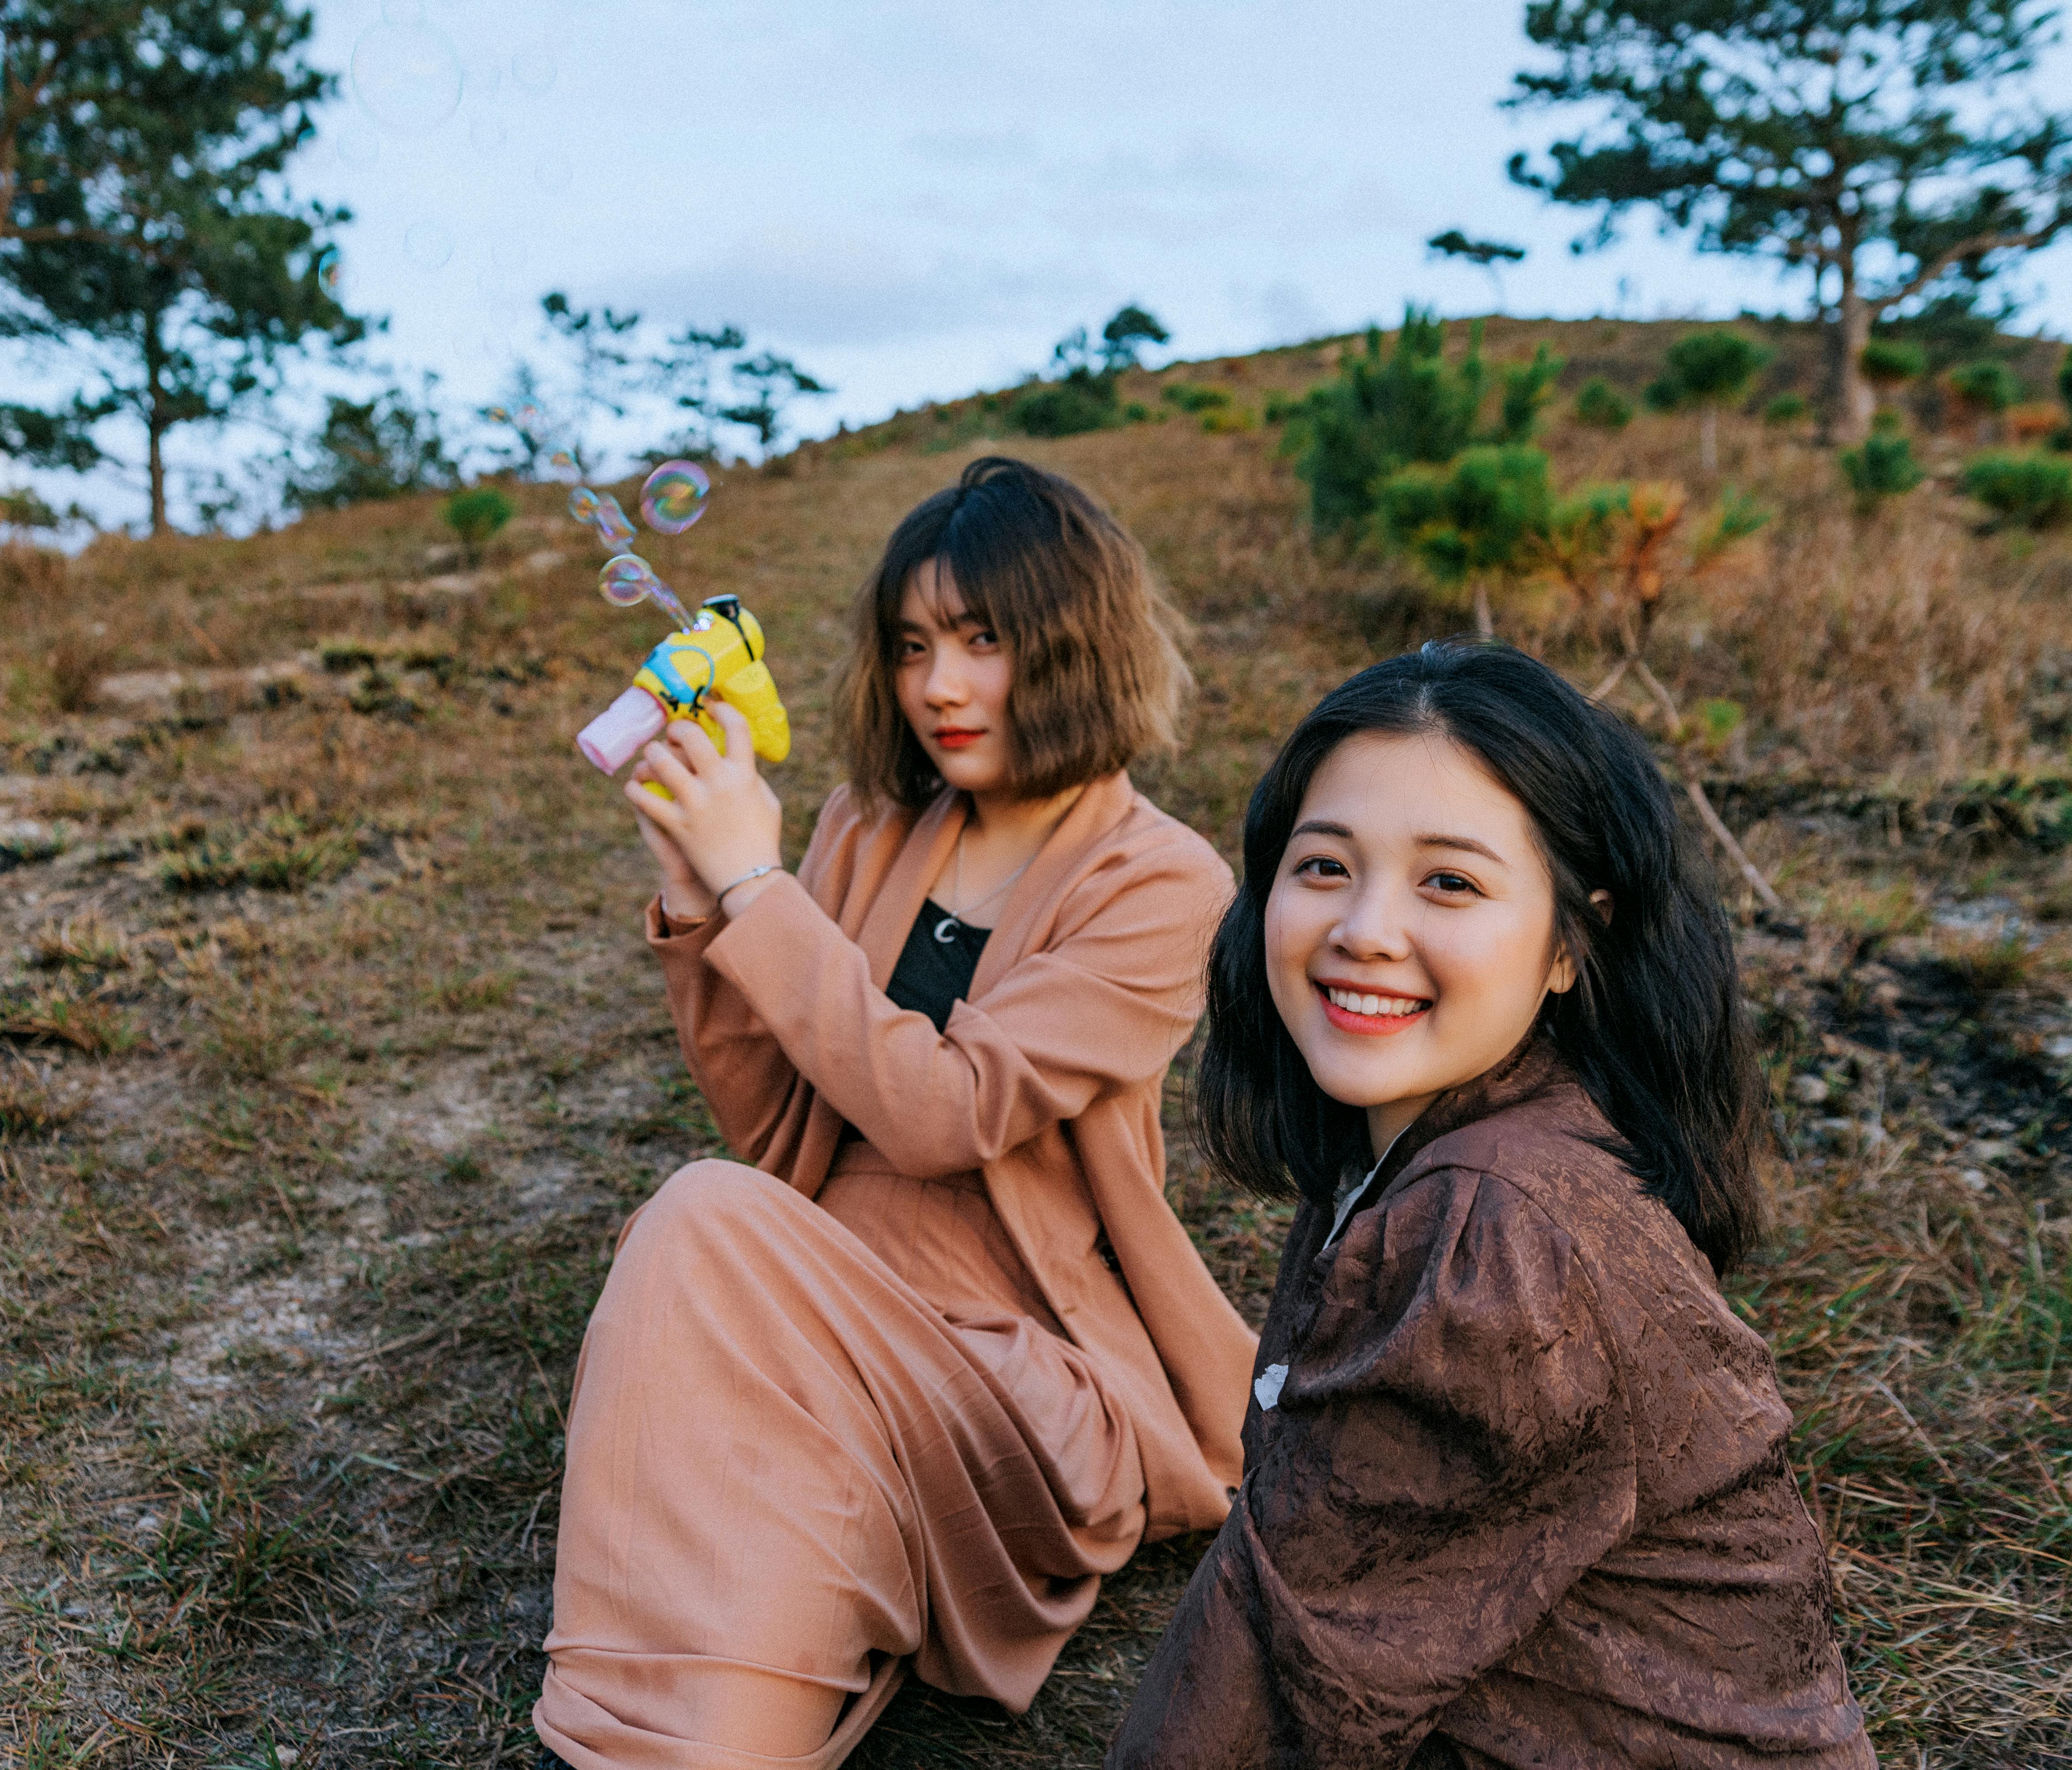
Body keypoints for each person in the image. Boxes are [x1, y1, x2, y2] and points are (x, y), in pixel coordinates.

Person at [533, 456, 1256, 1770]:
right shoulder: (867, 825)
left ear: (1075, 643)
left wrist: (756, 886)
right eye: (915, 644)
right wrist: (700, 897)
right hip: (825, 1313)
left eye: (986, 641)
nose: (939, 686)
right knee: (760, 1493)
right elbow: (782, 1123)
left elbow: (943, 1111)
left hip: (1019, 1371)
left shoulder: (1164, 883)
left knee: (698, 1230)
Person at [1111, 642, 1875, 1769]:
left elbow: (1282, 1651)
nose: (1365, 928)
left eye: (1449, 882)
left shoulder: (1494, 1224)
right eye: (1322, 866)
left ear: (1571, 943)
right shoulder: (1441, 1144)